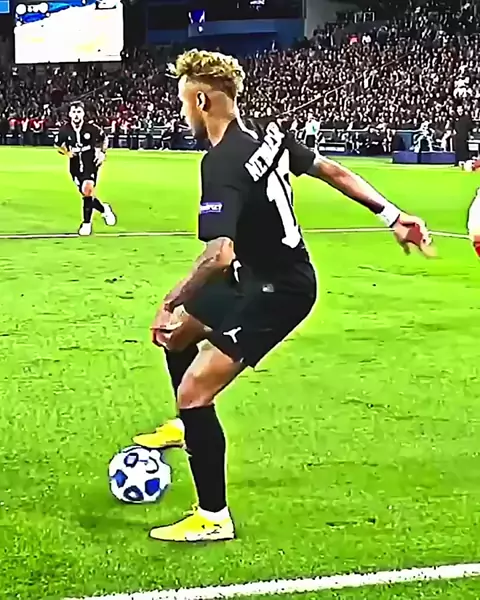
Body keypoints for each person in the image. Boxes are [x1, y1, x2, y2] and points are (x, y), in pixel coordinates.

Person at [136, 49, 433, 543]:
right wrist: (392, 215)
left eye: (185, 102)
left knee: (194, 390)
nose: (183, 112)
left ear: (203, 100)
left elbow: (219, 255)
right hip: (258, 273)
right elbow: (331, 170)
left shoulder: (221, 162)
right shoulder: (266, 132)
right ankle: (188, 427)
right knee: (178, 336)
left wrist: (170, 299)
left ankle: (213, 517)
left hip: (281, 289)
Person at [55, 101, 116, 236]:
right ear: (70, 114)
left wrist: (102, 153)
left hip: (90, 163)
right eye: (74, 112)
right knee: (86, 194)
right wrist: (67, 152)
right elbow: (57, 145)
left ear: (83, 114)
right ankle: (104, 209)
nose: (76, 115)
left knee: (87, 189)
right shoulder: (65, 130)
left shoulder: (91, 128)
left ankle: (86, 224)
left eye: (79, 112)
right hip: (75, 166)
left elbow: (104, 139)